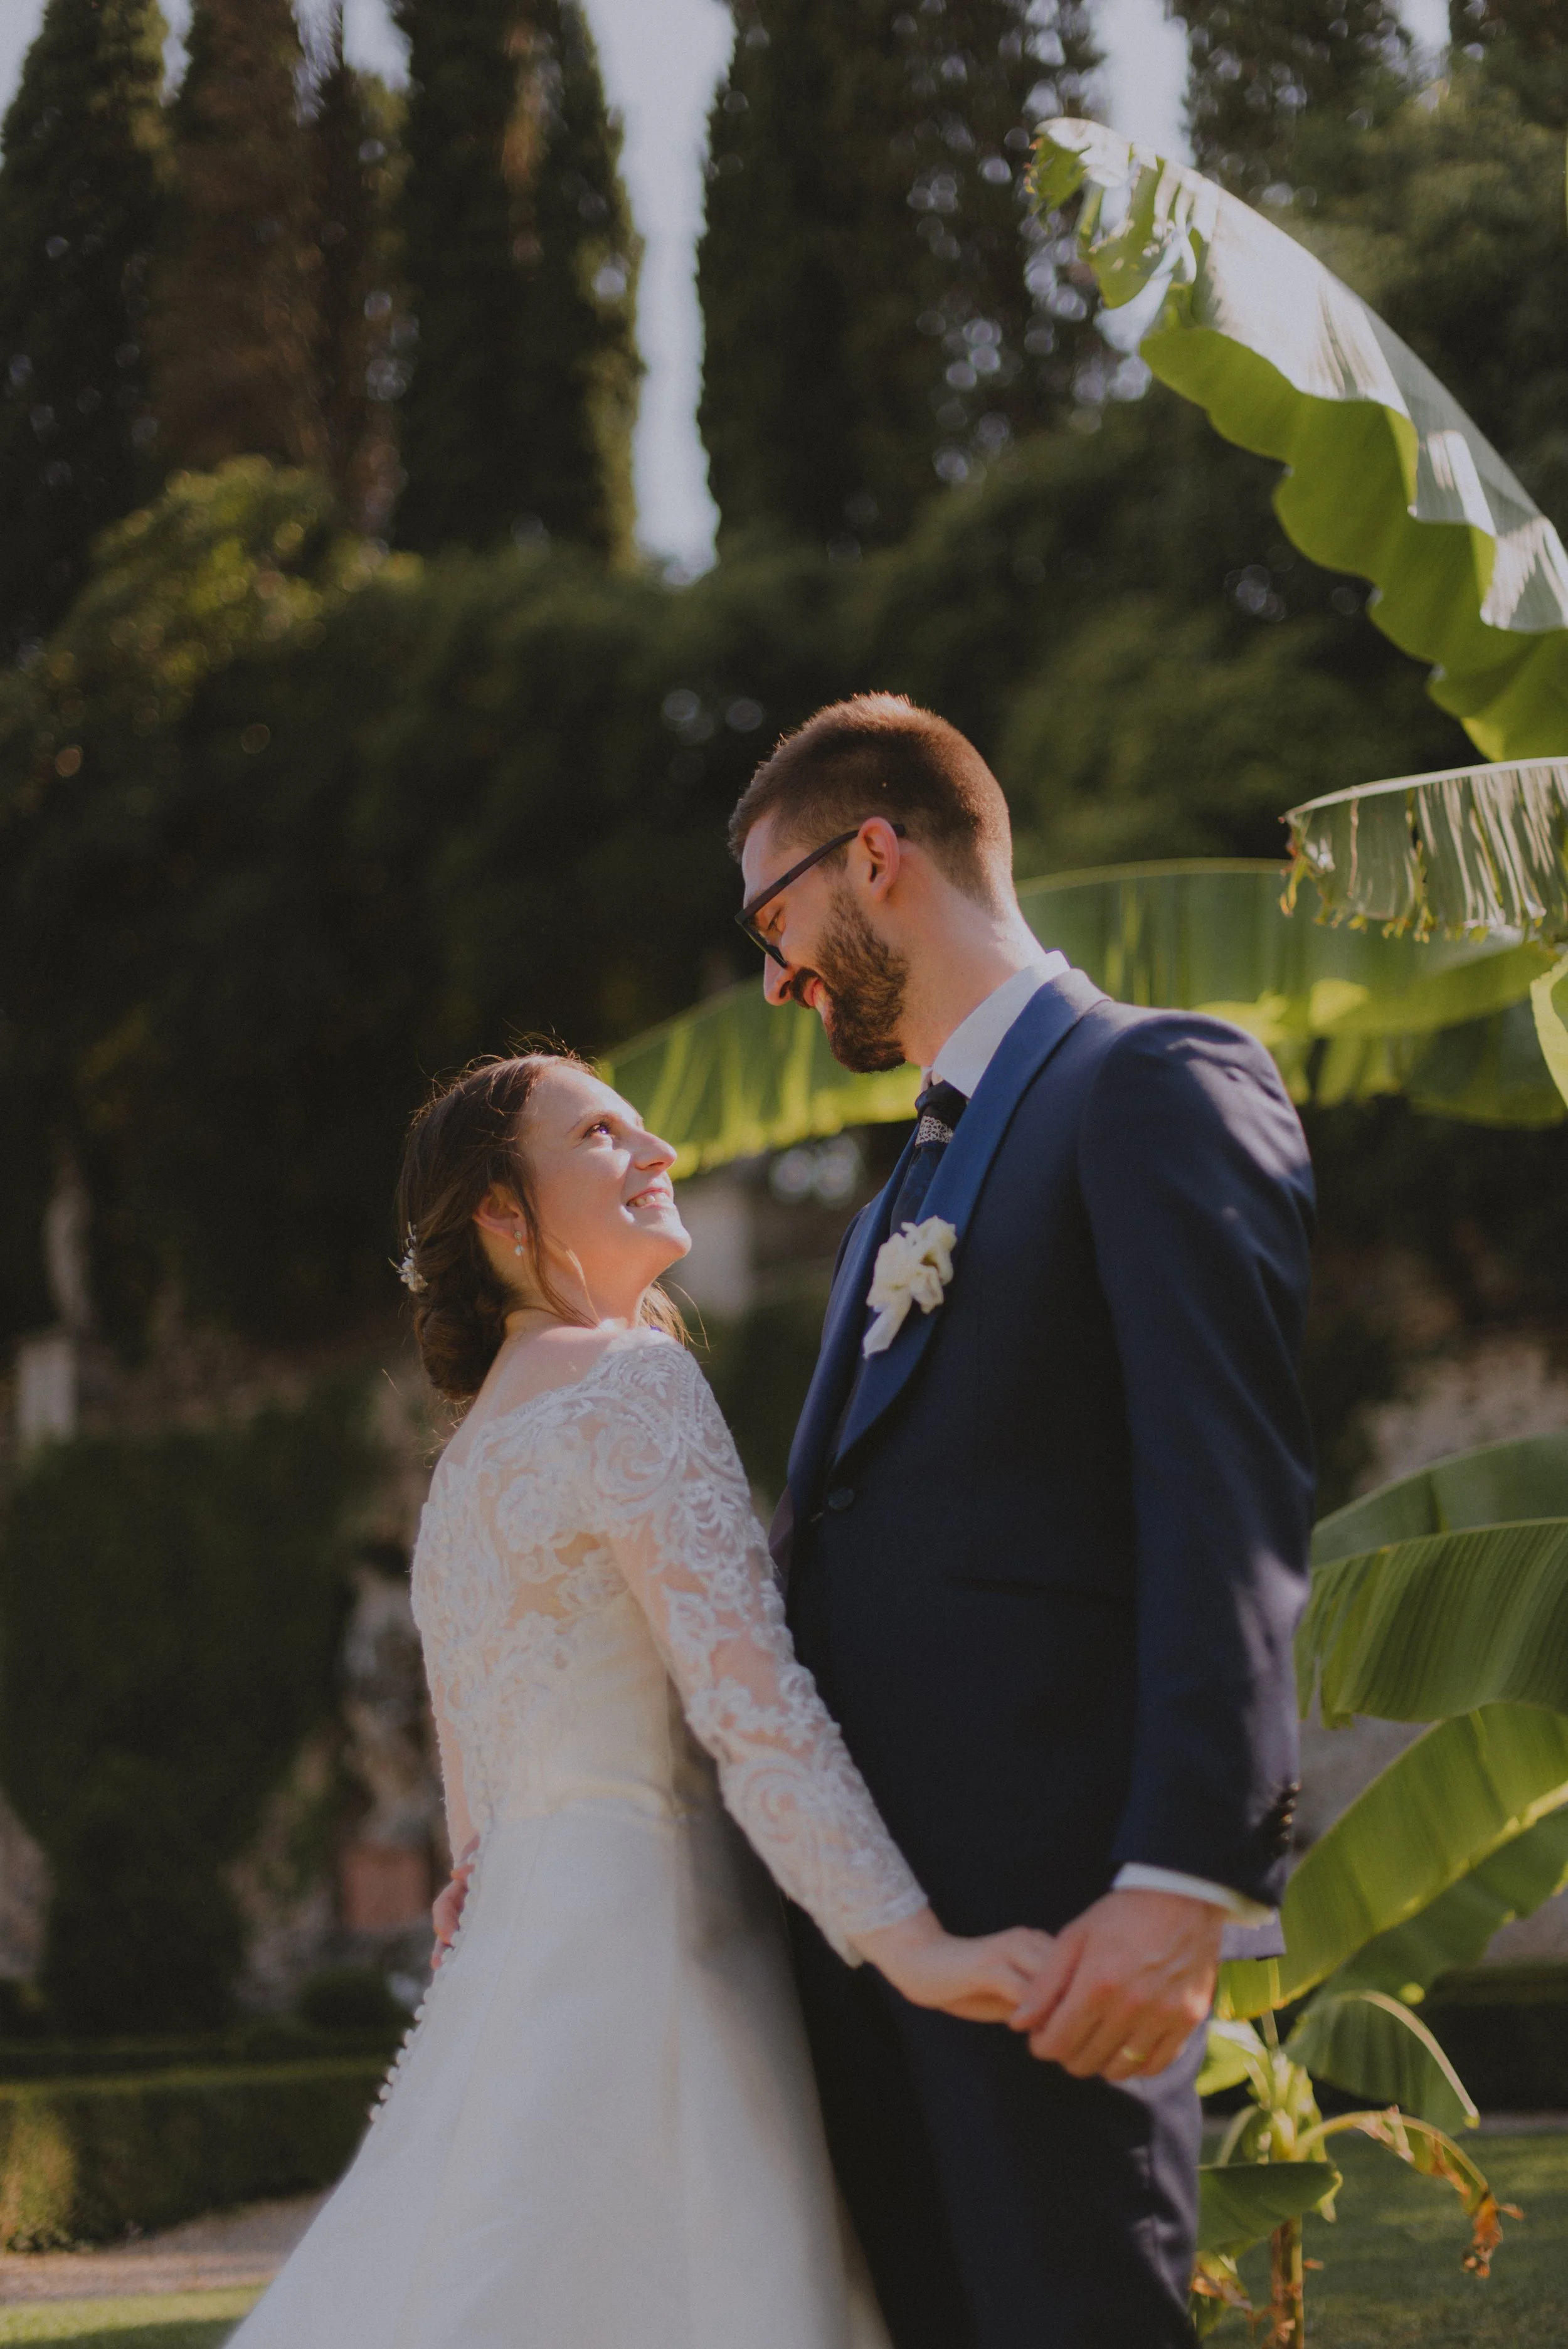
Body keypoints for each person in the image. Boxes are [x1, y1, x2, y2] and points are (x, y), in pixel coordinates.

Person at [229, 1049, 1051, 2349]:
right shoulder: (629, 1381)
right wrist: (913, 1948)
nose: (658, 1148)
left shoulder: (463, 1473)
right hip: (662, 1942)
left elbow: (472, 1826)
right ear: (503, 1215)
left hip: (522, 1963)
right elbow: (752, 1706)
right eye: (603, 1135)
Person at [731, 694, 1316, 2348]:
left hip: (1063, 1945)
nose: (775, 980)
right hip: (891, 1954)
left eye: (773, 922)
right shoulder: (892, 1209)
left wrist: (1182, 1880)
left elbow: (1227, 1494)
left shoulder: (1148, 1080)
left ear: (874, 853)